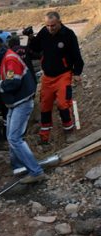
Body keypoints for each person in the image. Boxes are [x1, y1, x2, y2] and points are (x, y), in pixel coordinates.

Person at [0, 38, 46, 184]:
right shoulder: (5, 58)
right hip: (16, 103)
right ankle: (19, 167)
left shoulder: (10, 59)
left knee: (14, 138)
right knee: (11, 137)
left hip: (22, 103)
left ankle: (36, 172)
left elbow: (13, 82)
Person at [28, 11, 84, 144]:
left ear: (59, 22)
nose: (50, 28)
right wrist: (30, 36)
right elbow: (35, 47)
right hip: (47, 77)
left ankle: (69, 131)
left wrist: (77, 73)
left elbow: (77, 55)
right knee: (45, 105)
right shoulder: (44, 32)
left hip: (63, 75)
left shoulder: (68, 34)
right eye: (47, 25)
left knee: (62, 103)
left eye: (52, 25)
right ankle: (44, 136)